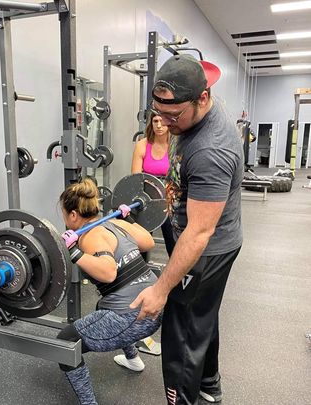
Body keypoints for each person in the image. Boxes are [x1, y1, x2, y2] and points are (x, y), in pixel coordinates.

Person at [130, 54, 244, 405]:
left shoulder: (211, 150)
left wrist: (162, 289)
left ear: (203, 99)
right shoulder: (192, 109)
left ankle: (181, 399)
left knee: (181, 328)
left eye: (173, 115)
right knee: (202, 314)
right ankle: (209, 384)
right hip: (213, 238)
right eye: (159, 113)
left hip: (207, 248)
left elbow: (199, 233)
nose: (164, 122)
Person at [58, 178, 162, 405]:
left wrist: (74, 252)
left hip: (133, 318)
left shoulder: (91, 236)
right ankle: (134, 359)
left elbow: (108, 273)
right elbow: (148, 242)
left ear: (73, 215)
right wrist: (129, 219)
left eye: (65, 214)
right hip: (155, 306)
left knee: (65, 342)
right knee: (103, 306)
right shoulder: (115, 223)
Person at [131, 113, 175, 257]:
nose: (159, 125)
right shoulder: (142, 145)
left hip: (169, 199)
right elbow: (135, 179)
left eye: (162, 121)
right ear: (151, 123)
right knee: (142, 241)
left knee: (172, 240)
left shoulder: (175, 146)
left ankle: (177, 277)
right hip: (147, 198)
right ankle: (140, 274)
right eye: (155, 121)